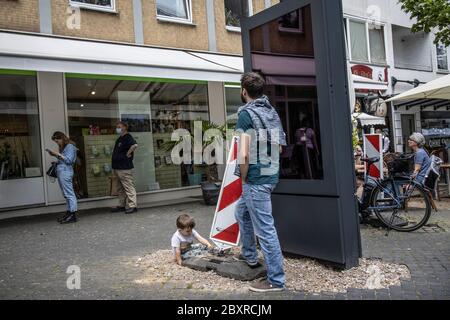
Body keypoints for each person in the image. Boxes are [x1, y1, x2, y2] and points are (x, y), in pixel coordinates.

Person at [234, 72, 287, 293]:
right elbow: (280, 147)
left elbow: (243, 154)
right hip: (270, 175)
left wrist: (245, 177)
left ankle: (276, 280)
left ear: (244, 91)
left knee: (265, 230)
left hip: (255, 179)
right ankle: (250, 256)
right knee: (241, 212)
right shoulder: (270, 111)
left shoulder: (246, 114)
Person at [47, 132, 78, 224]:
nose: (57, 143)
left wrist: (58, 155)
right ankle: (69, 212)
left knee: (69, 193)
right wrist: (55, 155)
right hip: (62, 172)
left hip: (65, 172)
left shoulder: (70, 146)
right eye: (55, 141)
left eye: (58, 140)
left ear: (62, 138)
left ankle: (73, 214)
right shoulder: (64, 147)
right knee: (66, 194)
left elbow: (69, 160)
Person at [111, 121, 139, 214]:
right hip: (118, 167)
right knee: (120, 188)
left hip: (124, 167)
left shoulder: (128, 137)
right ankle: (121, 205)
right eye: (117, 126)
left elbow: (135, 145)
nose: (117, 128)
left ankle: (133, 206)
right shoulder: (120, 138)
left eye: (119, 127)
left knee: (128, 187)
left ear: (125, 127)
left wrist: (128, 153)